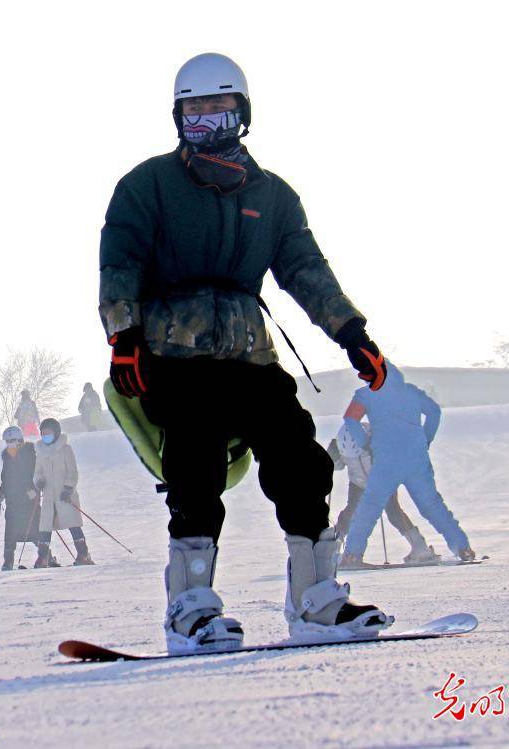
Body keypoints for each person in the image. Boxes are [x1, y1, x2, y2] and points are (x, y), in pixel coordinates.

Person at [99, 53, 392, 653]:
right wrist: (123, 336)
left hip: (249, 355)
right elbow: (120, 259)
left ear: (242, 112)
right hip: (172, 351)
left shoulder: (273, 196)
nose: (206, 118)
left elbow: (306, 270)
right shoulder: (147, 185)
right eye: (194, 108)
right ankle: (191, 606)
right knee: (196, 457)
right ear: (178, 116)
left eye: (218, 106)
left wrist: (352, 334)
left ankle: (316, 600)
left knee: (301, 458)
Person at [339, 362, 475, 566]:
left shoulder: (365, 394)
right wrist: (425, 440)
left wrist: (365, 443)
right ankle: (462, 547)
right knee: (432, 505)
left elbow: (350, 419)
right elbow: (434, 412)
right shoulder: (411, 391)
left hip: (386, 460)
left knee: (369, 507)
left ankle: (352, 555)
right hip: (416, 459)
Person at [330, 422, 437, 564]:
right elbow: (337, 466)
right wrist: (330, 458)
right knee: (351, 512)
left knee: (393, 511)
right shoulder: (342, 442)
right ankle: (332, 550)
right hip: (358, 482)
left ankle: (420, 548)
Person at [33, 418, 93, 567]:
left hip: (64, 495)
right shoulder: (40, 452)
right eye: (43, 433)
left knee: (73, 524)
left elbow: (73, 472)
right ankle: (42, 558)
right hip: (48, 496)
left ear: (56, 432)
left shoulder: (66, 449)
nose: (45, 435)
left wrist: (68, 488)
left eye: (48, 432)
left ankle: (83, 554)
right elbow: (37, 472)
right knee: (45, 527)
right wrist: (38, 481)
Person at [0, 426, 41, 570]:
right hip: (12, 501)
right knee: (10, 531)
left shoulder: (30, 454)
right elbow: (5, 478)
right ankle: (8, 561)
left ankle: (45, 556)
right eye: (7, 441)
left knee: (34, 529)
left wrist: (34, 489)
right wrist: (2, 493)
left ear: (20, 440)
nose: (10, 444)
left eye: (12, 440)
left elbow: (34, 474)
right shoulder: (7, 458)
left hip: (28, 499)